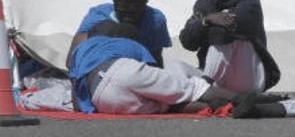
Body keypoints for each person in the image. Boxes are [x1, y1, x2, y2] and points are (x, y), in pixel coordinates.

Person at [69, 20, 245, 114]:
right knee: (192, 88)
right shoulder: (130, 45)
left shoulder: (81, 50)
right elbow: (154, 74)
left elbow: (77, 102)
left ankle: (215, 106)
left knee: (166, 107)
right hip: (121, 70)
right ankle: (242, 98)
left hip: (102, 98)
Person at [179, 0, 280, 93]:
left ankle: (204, 88)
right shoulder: (205, 0)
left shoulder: (250, 0)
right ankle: (207, 88)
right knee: (174, 67)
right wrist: (206, 20)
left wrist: (208, 22)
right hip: (215, 76)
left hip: (247, 77)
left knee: (221, 31)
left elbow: (228, 21)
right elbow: (188, 43)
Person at [66, 0, 171, 69]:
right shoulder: (99, 15)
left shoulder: (155, 20)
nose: (128, 18)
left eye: (133, 13)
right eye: (123, 12)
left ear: (145, 4)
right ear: (114, 3)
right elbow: (72, 60)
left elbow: (155, 59)